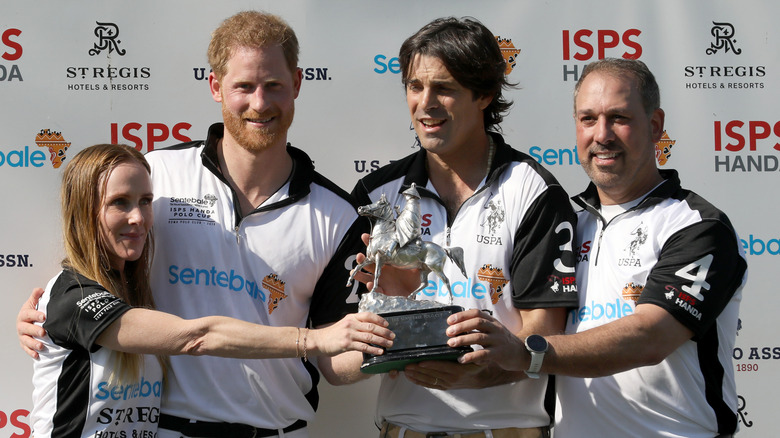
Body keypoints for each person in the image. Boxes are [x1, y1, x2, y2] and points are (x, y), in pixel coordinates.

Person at [18, 11, 393, 438]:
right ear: (215, 86)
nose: (259, 103)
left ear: (298, 85)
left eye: (273, 86)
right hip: (164, 430)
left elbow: (335, 360)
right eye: (243, 87)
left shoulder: (340, 214)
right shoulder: (156, 175)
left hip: (279, 431)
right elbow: (90, 268)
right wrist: (44, 318)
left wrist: (389, 339)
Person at [448, 58, 746, 438]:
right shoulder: (564, 224)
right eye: (588, 119)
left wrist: (528, 354)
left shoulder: (698, 226)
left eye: (619, 118)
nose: (602, 135)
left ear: (655, 126)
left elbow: (650, 337)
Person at [30, 144, 393, 438]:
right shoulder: (72, 295)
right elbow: (197, 337)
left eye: (145, 201)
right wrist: (313, 340)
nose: (139, 218)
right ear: (83, 211)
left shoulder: (133, 289)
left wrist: (400, 342)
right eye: (119, 203)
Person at [351, 17, 579, 438]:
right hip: (405, 429)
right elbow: (343, 345)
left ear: (485, 94)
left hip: (505, 429)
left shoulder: (533, 192)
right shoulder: (376, 192)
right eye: (415, 87)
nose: (426, 103)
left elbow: (544, 334)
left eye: (445, 88)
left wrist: (485, 372)